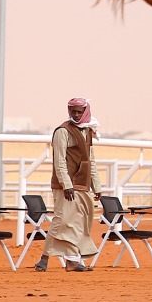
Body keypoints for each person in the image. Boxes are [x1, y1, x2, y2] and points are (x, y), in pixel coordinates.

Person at [33, 98, 102, 272]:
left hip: (82, 184)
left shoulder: (87, 131)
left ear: (85, 111)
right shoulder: (62, 131)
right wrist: (66, 184)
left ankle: (73, 259)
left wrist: (97, 186)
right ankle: (45, 257)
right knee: (62, 220)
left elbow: (90, 161)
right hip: (67, 186)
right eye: (73, 111)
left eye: (79, 111)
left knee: (80, 222)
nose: (76, 115)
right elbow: (60, 161)